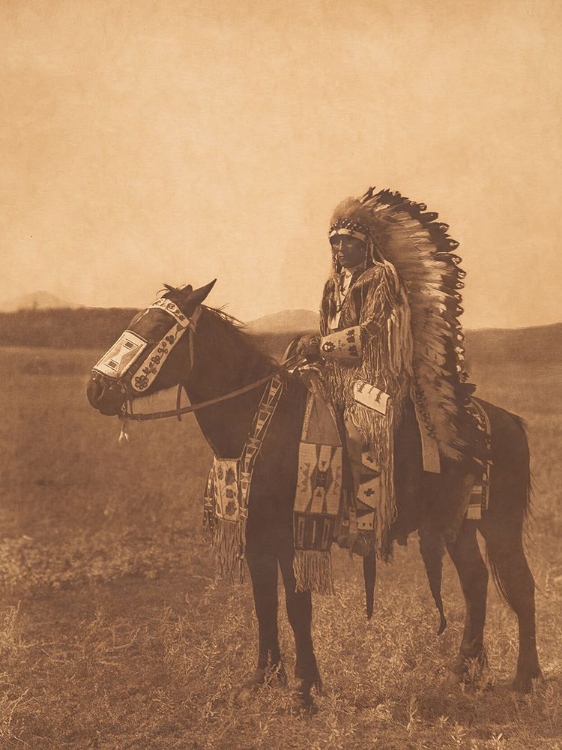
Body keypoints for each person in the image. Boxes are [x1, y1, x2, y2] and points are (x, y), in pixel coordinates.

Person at [295, 189, 479, 555]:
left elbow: (373, 331)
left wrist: (323, 346)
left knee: (360, 427)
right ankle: (316, 515)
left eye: (349, 241)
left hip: (374, 376)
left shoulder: (380, 277)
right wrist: (310, 352)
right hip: (335, 375)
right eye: (336, 242)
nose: (341, 248)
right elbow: (324, 330)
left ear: (367, 243)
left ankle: (368, 522)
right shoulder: (332, 285)